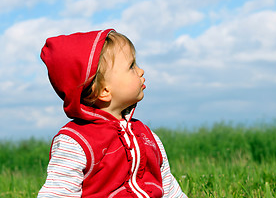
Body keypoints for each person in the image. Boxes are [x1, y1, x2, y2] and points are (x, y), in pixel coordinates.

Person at [38, 29, 187, 198]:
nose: (141, 71)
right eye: (131, 66)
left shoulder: (145, 135)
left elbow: (167, 186)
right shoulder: (76, 142)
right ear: (103, 91)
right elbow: (58, 193)